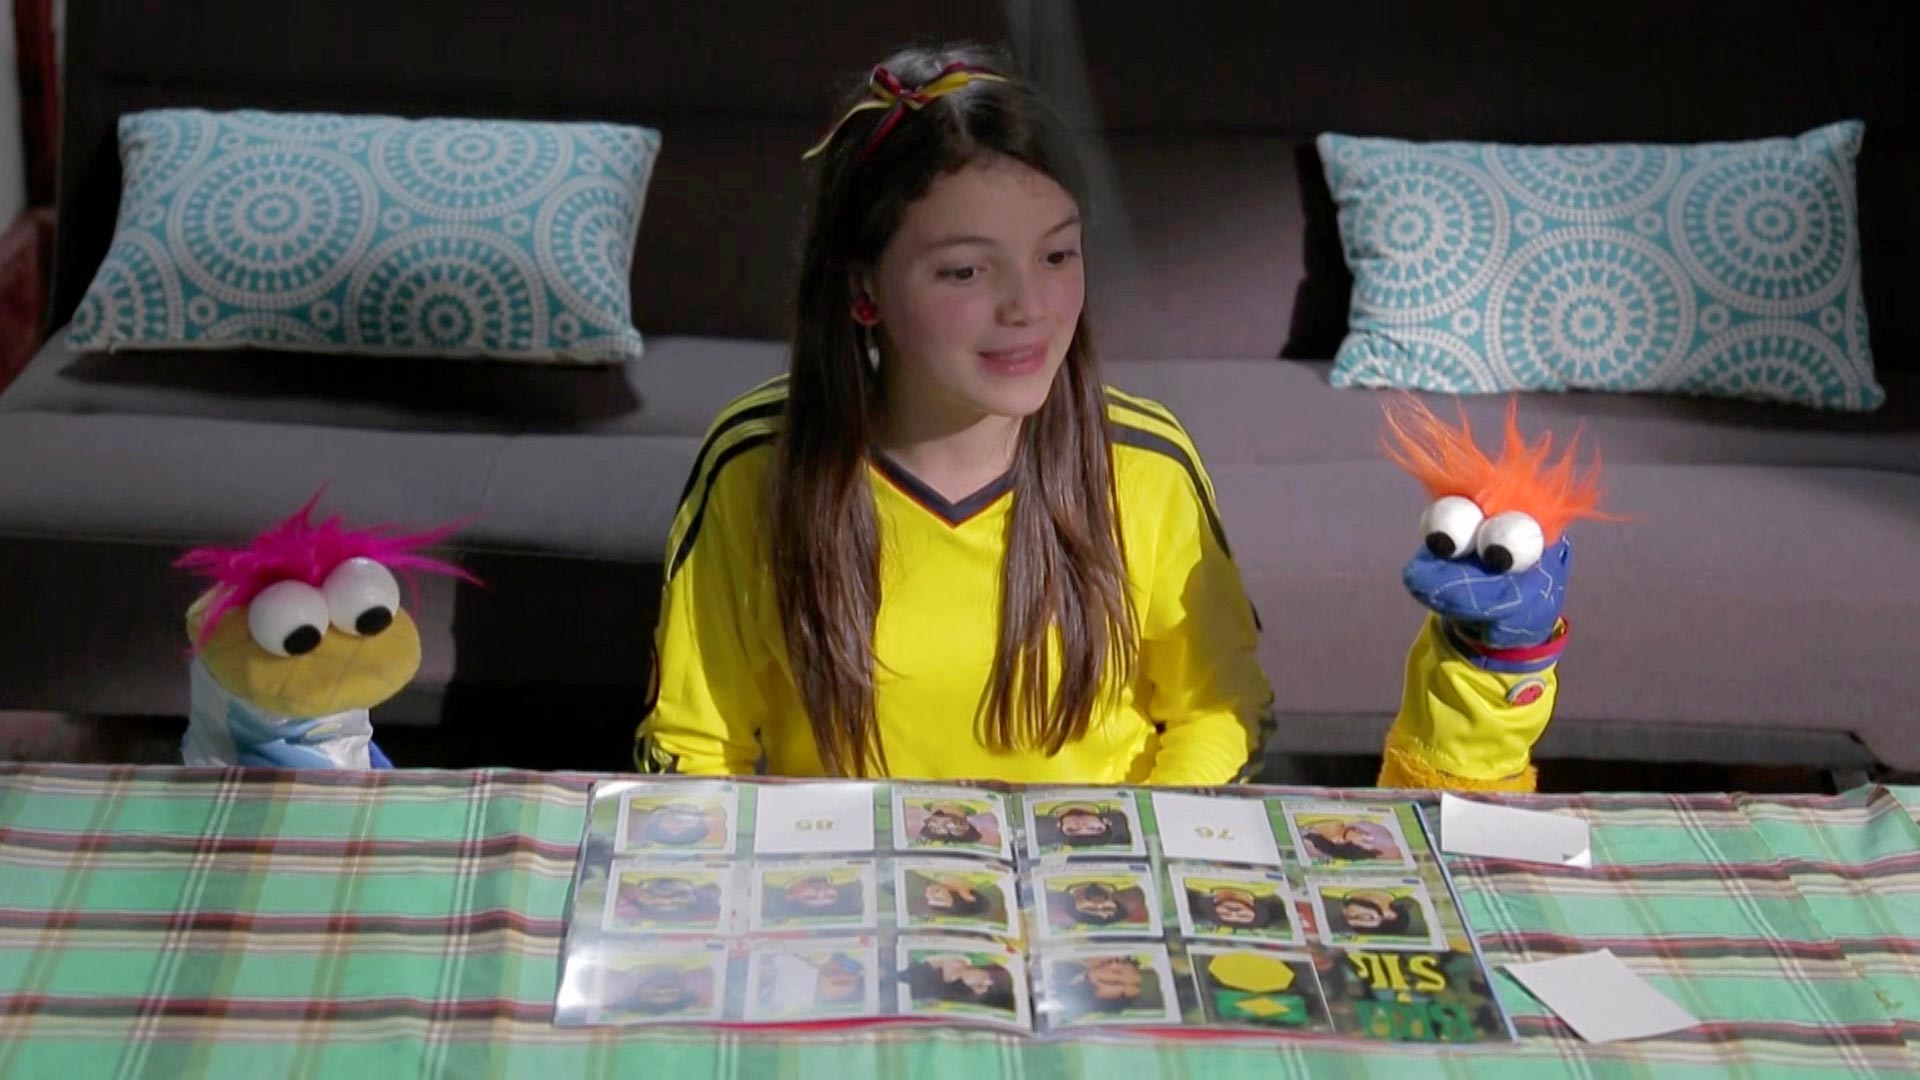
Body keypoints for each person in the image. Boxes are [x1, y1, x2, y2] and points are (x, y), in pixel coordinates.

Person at [634, 43, 1272, 784]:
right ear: (864, 291)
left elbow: (1219, 714)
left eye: (1056, 257)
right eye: (966, 270)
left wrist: (1138, 845)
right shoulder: (754, 467)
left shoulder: (1147, 464)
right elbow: (694, 748)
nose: (1027, 308)